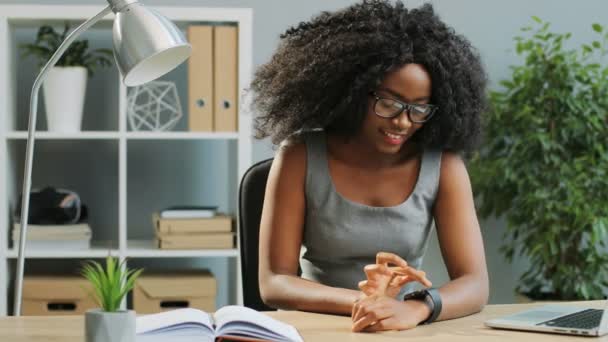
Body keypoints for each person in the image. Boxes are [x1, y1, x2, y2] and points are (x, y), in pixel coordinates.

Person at [251, 0, 489, 332]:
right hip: (319, 326)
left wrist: (417, 309)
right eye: (389, 103)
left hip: (405, 327)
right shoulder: (299, 156)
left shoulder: (443, 167)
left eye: (419, 109)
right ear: (354, 92)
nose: (403, 122)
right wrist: (367, 305)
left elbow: (475, 283)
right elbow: (275, 282)